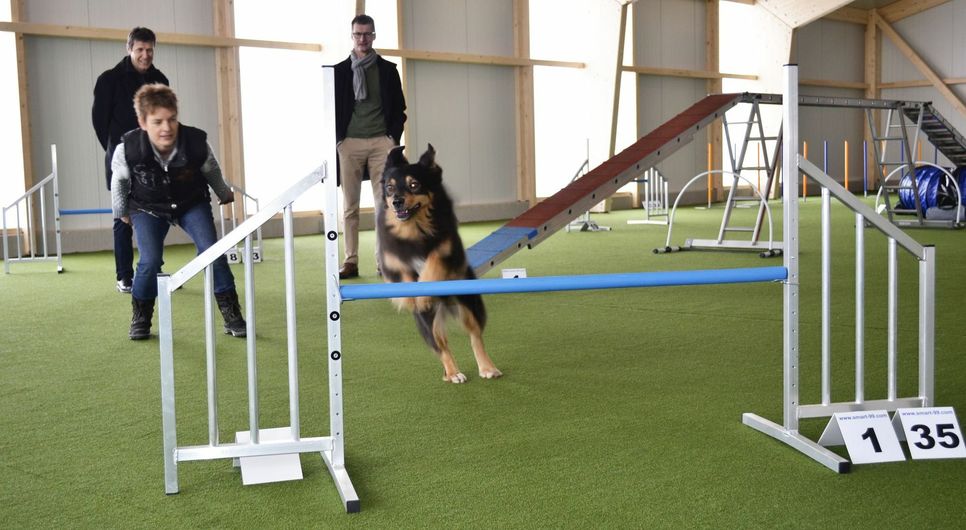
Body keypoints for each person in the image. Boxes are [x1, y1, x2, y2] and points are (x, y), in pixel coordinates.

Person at [111, 84, 246, 341]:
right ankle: (141, 316)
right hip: (147, 207)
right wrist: (121, 211)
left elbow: (211, 169)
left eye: (172, 119)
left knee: (212, 251)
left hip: (190, 202)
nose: (166, 127)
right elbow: (119, 181)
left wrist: (223, 192)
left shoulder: (195, 142)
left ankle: (232, 314)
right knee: (149, 260)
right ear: (142, 122)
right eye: (158, 121)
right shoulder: (127, 148)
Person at [93, 26, 169, 294]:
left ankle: (154, 270)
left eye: (149, 50)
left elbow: (165, 120)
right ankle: (124, 276)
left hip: (154, 160)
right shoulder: (109, 80)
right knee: (121, 216)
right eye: (140, 49)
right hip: (121, 159)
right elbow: (100, 122)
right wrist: (117, 151)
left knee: (158, 214)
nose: (145, 55)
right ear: (129, 49)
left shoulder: (160, 80)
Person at [332, 14, 407, 279]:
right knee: (350, 207)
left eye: (367, 34)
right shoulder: (339, 72)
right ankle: (350, 261)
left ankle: (383, 263)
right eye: (358, 34)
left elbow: (400, 109)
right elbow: (330, 109)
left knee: (384, 205)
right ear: (351, 36)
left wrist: (392, 139)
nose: (362, 39)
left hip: (380, 143)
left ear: (374, 36)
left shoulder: (388, 70)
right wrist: (339, 140)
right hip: (349, 144)